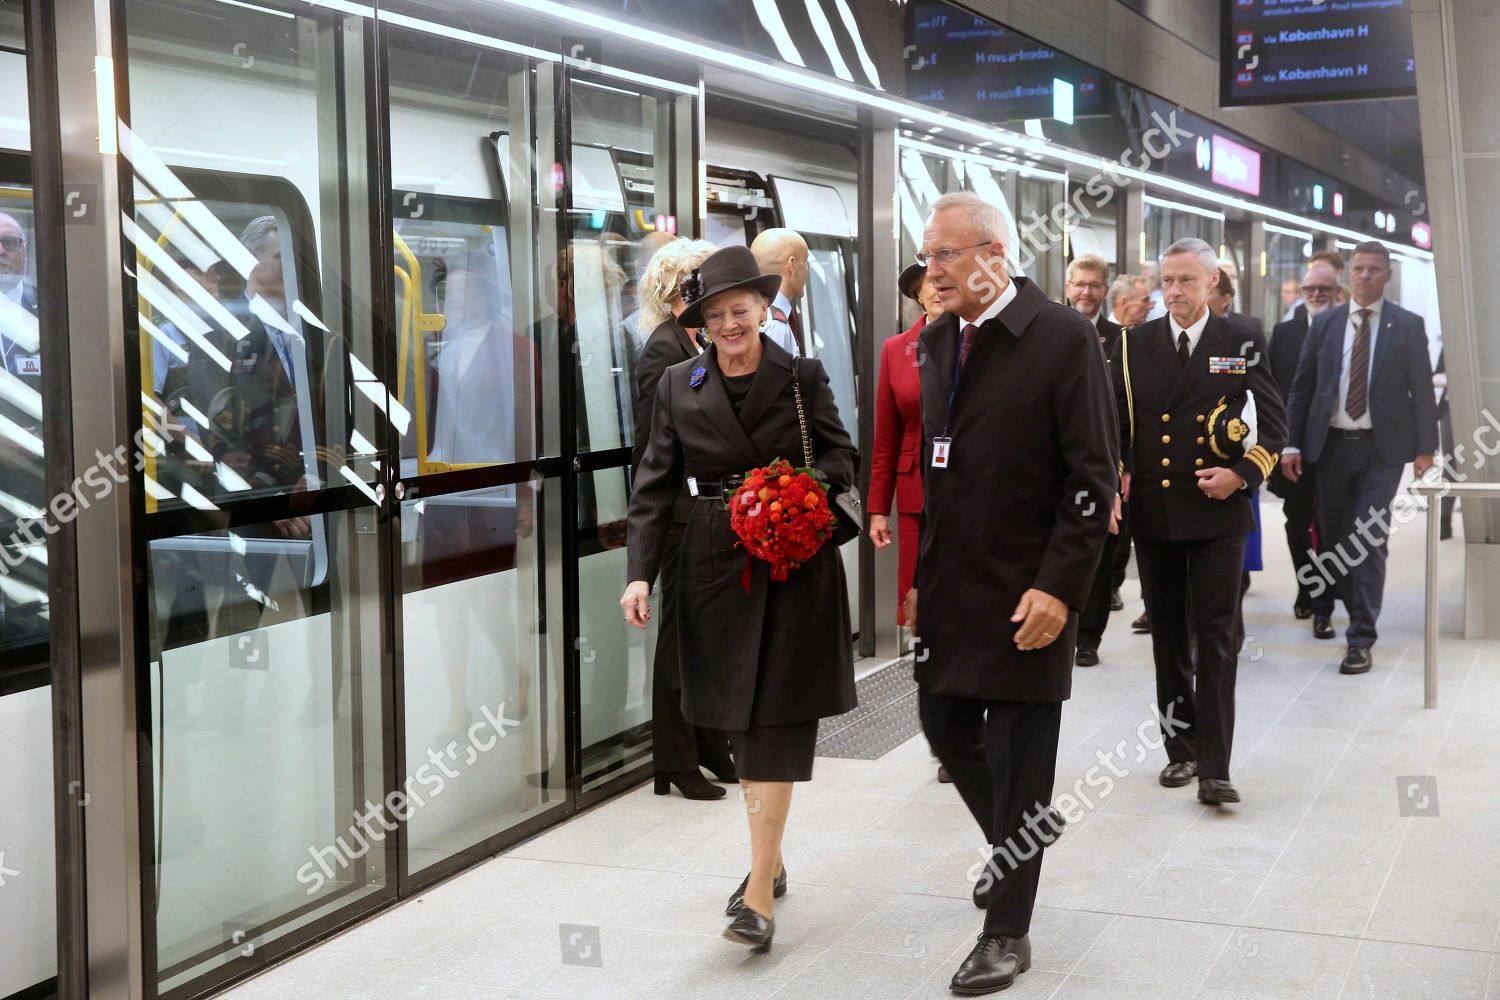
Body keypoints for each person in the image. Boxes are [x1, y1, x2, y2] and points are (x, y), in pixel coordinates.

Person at [904, 192, 1117, 995]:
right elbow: (938, 465)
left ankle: (1006, 931)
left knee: (1021, 754)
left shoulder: (1064, 338)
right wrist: (924, 582)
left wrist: (1061, 589)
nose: (933, 271)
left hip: (1032, 590)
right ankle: (1021, 837)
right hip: (955, 585)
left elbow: (1092, 480)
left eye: (946, 255)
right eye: (929, 255)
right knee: (941, 721)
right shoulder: (936, 341)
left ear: (995, 254)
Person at [621, 244, 858, 949]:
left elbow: (842, 457)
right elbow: (653, 486)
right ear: (700, 323)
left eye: (740, 310)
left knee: (771, 725)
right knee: (731, 717)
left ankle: (758, 894)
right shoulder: (677, 386)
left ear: (763, 309)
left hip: (792, 567)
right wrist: (640, 573)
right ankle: (772, 856)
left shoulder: (801, 377)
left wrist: (797, 498)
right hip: (712, 565)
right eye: (716, 315)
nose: (730, 324)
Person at [1112, 237, 1285, 807]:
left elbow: (1275, 426)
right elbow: (1116, 421)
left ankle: (1216, 766)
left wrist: (1242, 474)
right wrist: (1117, 473)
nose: (1175, 292)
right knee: (1168, 637)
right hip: (1157, 513)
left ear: (1212, 282)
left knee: (1216, 638)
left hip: (1219, 513)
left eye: (1186, 280)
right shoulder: (1135, 344)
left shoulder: (1239, 339)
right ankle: (1179, 749)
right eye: (1167, 281)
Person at [1281, 241, 1437, 675]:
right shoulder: (1327, 325)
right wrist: (1291, 443)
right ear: (1349, 274)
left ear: (1387, 275)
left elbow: (1422, 390)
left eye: (1374, 270)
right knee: (1333, 541)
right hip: (1330, 447)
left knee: (1369, 539)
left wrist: (1425, 450)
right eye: (1359, 269)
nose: (1365, 276)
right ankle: (1346, 607)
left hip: (1380, 450)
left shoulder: (1406, 325)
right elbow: (1301, 387)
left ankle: (1361, 637)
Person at [628, 237, 737, 800]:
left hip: (706, 512)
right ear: (684, 289)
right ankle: (674, 759)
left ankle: (711, 744)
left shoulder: (698, 341)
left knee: (707, 639)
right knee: (678, 642)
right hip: (676, 515)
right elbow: (654, 446)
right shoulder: (663, 350)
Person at [1267, 262, 1337, 618]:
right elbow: (1273, 389)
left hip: (1334, 447)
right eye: (1309, 289)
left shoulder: (1346, 329)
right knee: (1295, 519)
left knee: (1329, 522)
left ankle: (1324, 591)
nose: (1315, 295)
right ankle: (1306, 586)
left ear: (1336, 292)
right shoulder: (1284, 332)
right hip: (1290, 445)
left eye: (1323, 289)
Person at [1067, 255, 1124, 668]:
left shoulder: (1123, 341)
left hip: (1107, 463)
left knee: (1101, 553)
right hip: (1059, 464)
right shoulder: (1047, 331)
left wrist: (1126, 469)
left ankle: (1088, 637)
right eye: (1079, 284)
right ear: (1068, 287)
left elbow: (1131, 411)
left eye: (1094, 285)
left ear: (1106, 291)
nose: (1086, 292)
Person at [749, 227, 806, 357]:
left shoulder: (765, 314)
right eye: (805, 260)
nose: (807, 271)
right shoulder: (775, 325)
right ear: (793, 264)